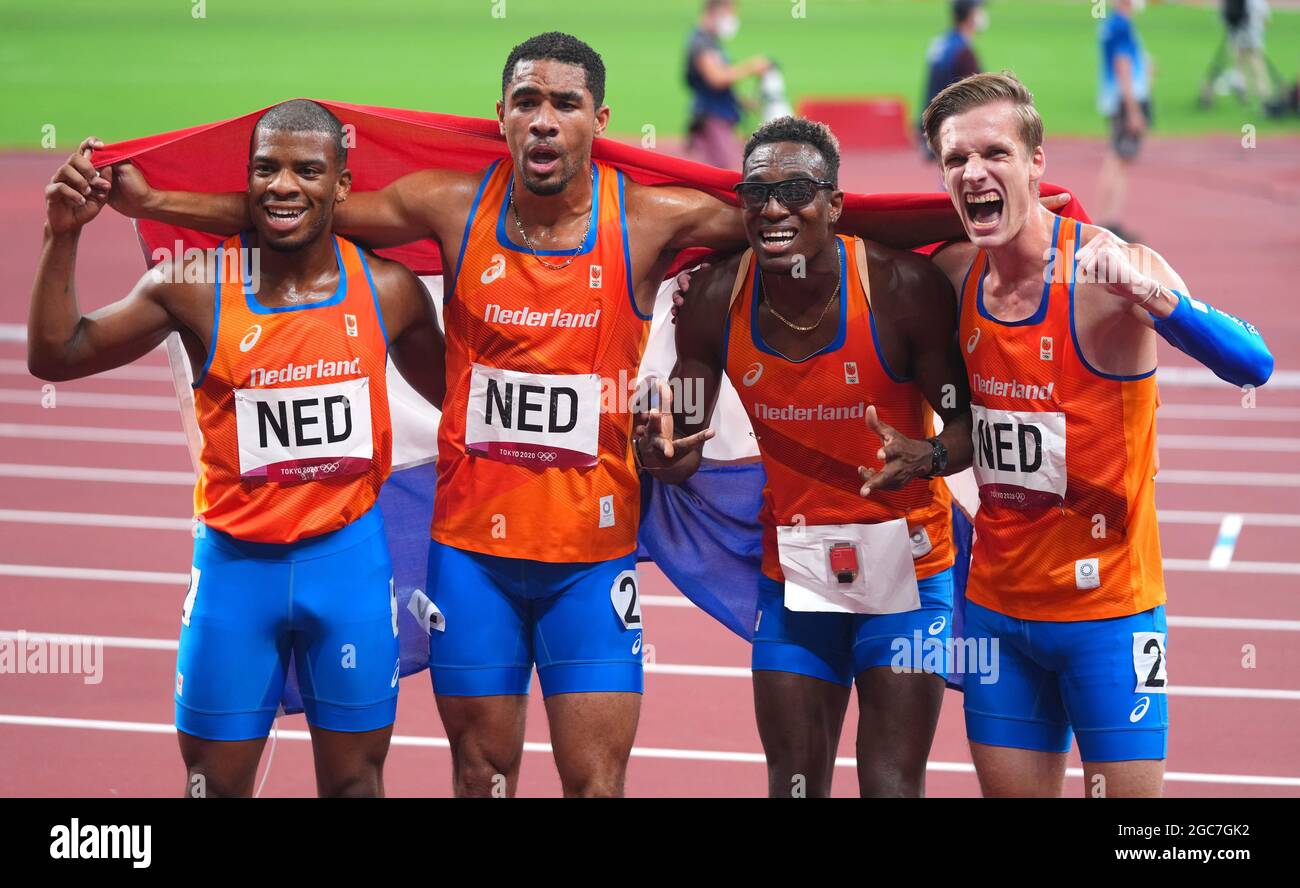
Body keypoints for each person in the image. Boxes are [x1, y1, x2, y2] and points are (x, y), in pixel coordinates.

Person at [102, 32, 967, 799]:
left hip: (592, 556)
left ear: (599, 119)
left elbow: (788, 222)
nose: (544, 119)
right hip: (471, 553)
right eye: (527, 102)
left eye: (565, 104)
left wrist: (958, 231)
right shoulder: (448, 204)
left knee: (596, 783)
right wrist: (156, 204)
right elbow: (300, 215)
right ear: (503, 117)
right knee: (482, 778)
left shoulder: (649, 216)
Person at [29, 101, 446, 797]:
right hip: (233, 573)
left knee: (356, 786)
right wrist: (61, 234)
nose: (284, 186)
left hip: (346, 567)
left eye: (308, 170)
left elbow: (461, 402)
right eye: (266, 169)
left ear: (342, 186)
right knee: (212, 788)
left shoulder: (388, 290)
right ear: (245, 182)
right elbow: (57, 353)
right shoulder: (192, 290)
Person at [913, 72, 1273, 797]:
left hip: (1109, 614)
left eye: (995, 153)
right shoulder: (955, 274)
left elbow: (1253, 364)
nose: (974, 173)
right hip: (997, 613)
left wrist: (1155, 296)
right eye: (956, 160)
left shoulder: (1108, 272)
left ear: (1037, 162)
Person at [637, 117, 972, 798]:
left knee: (889, 784)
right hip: (796, 574)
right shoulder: (711, 301)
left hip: (907, 572)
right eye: (756, 193)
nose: (774, 207)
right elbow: (682, 445)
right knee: (792, 782)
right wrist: (659, 454)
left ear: (834, 204)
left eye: (795, 189)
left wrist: (930, 454)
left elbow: (968, 424)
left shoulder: (902, 292)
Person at [684, 0, 772, 168]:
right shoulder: (701, 43)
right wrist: (751, 67)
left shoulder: (710, 41)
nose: (733, 19)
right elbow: (716, 78)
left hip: (719, 115)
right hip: (711, 118)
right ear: (715, 11)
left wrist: (740, 101)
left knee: (725, 169)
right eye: (730, 13)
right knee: (725, 172)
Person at [1096, 0, 1152, 241]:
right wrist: (1133, 109)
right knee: (1118, 160)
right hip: (1124, 100)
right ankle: (1110, 221)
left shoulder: (1112, 25)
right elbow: (1122, 65)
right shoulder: (1121, 26)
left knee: (1116, 158)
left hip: (1116, 98)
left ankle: (1110, 219)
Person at [919, 0, 987, 160]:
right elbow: (977, 94)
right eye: (978, 11)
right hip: (956, 125)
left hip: (936, 120)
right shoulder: (963, 51)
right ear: (970, 15)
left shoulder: (941, 42)